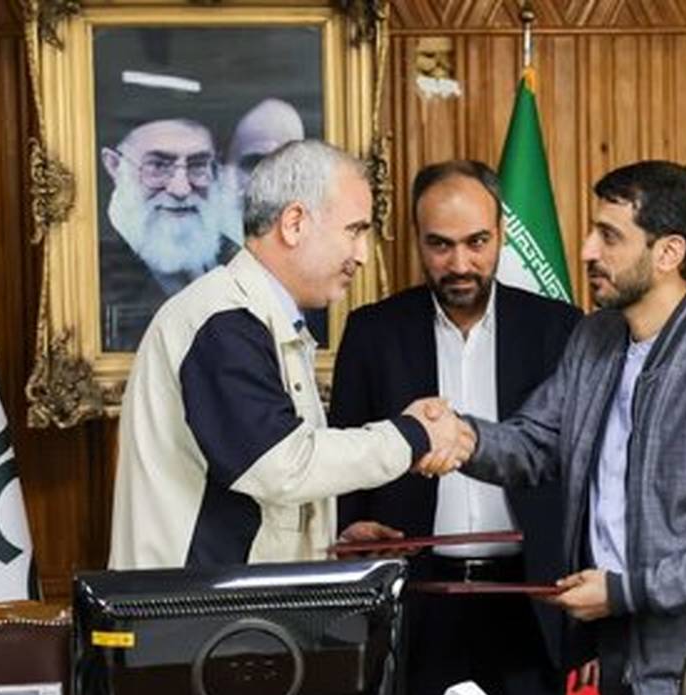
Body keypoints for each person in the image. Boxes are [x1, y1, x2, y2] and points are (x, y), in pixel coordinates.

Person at [455, 160, 686, 695]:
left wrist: (627, 591)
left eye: (609, 236)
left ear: (668, 253)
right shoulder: (594, 339)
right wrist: (458, 437)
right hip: (614, 657)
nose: (587, 250)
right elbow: (536, 442)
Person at [109, 140, 472, 570]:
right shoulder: (222, 322)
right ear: (294, 223)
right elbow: (281, 465)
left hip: (222, 605)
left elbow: (252, 487)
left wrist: (327, 542)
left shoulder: (254, 317)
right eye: (354, 231)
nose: (361, 255)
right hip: (197, 609)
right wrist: (412, 435)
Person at [329, 160, 581, 695]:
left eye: (477, 242)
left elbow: (583, 473)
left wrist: (585, 630)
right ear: (415, 239)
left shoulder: (560, 330)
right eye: (440, 245)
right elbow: (342, 462)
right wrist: (349, 532)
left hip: (529, 602)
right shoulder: (372, 333)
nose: (460, 263)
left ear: (502, 235)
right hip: (418, 604)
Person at [99, 117, 241, 351]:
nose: (181, 189)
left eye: (198, 165)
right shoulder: (91, 273)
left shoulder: (237, 261)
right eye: (157, 166)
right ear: (114, 166)